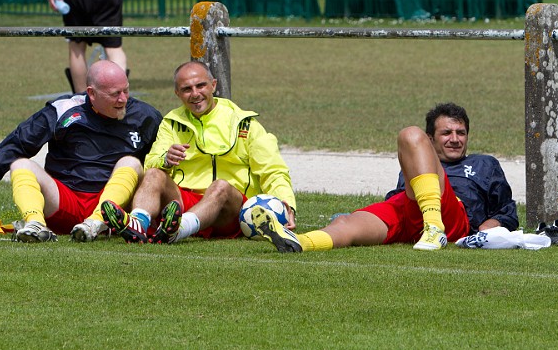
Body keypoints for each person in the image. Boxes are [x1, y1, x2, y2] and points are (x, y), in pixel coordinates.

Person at [253, 102, 519, 252]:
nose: (455, 139)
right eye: (446, 133)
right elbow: (401, 192)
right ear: (430, 139)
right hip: (411, 207)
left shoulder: (484, 164)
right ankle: (300, 242)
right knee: (348, 221)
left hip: (452, 215)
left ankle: (434, 227)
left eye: (461, 133)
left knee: (408, 134)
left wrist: (489, 227)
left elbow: (507, 211)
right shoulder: (419, 154)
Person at [0, 61, 162, 243]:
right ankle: (35, 225)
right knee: (20, 164)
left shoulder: (146, 116)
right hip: (65, 201)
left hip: (113, 209)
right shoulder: (63, 110)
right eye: (115, 94)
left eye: (126, 90)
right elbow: (16, 143)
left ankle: (96, 223)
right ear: (91, 93)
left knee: (131, 163)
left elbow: (160, 167)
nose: (123, 99)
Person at [99, 60, 297, 244]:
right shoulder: (171, 122)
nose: (195, 94)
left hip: (230, 208)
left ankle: (178, 230)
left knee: (220, 186)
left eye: (200, 86)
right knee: (153, 173)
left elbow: (273, 170)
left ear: (213, 85)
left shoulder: (243, 122)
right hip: (186, 202)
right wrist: (166, 159)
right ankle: (137, 224)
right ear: (177, 93)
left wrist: (286, 204)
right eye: (186, 89)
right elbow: (151, 162)